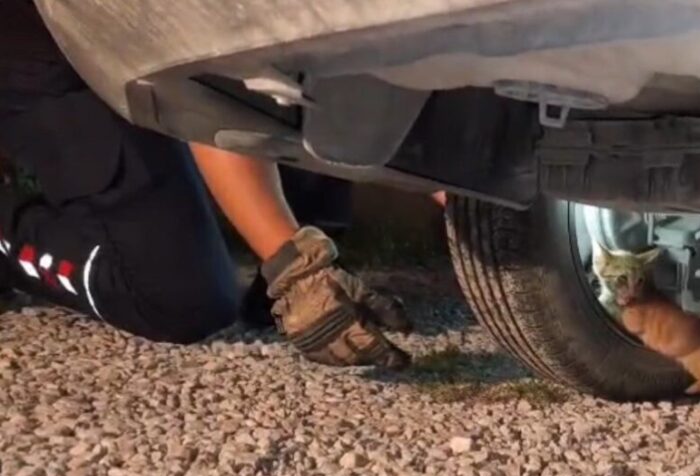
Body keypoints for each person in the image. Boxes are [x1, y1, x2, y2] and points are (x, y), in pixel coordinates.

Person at [0, 1, 411, 368]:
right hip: (53, 51)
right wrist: (296, 269)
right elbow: (206, 94)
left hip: (138, 42)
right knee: (178, 300)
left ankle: (282, 256)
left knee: (323, 84)